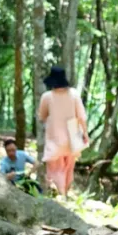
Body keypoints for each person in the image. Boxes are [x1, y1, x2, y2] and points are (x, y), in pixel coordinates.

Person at [37, 66, 87, 196]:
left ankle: (60, 196)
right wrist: (85, 135)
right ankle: (65, 194)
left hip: (55, 136)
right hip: (74, 135)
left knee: (55, 169)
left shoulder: (47, 97)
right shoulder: (74, 94)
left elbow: (42, 116)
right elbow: (81, 117)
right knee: (68, 169)